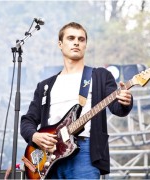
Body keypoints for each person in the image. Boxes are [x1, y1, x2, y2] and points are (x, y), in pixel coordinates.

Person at [20, 22, 133, 179]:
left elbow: (117, 108)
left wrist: (125, 100)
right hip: (49, 155)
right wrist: (34, 136)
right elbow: (27, 120)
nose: (76, 42)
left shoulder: (99, 76)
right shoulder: (45, 85)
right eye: (71, 38)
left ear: (85, 45)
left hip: (84, 151)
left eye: (81, 39)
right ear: (60, 44)